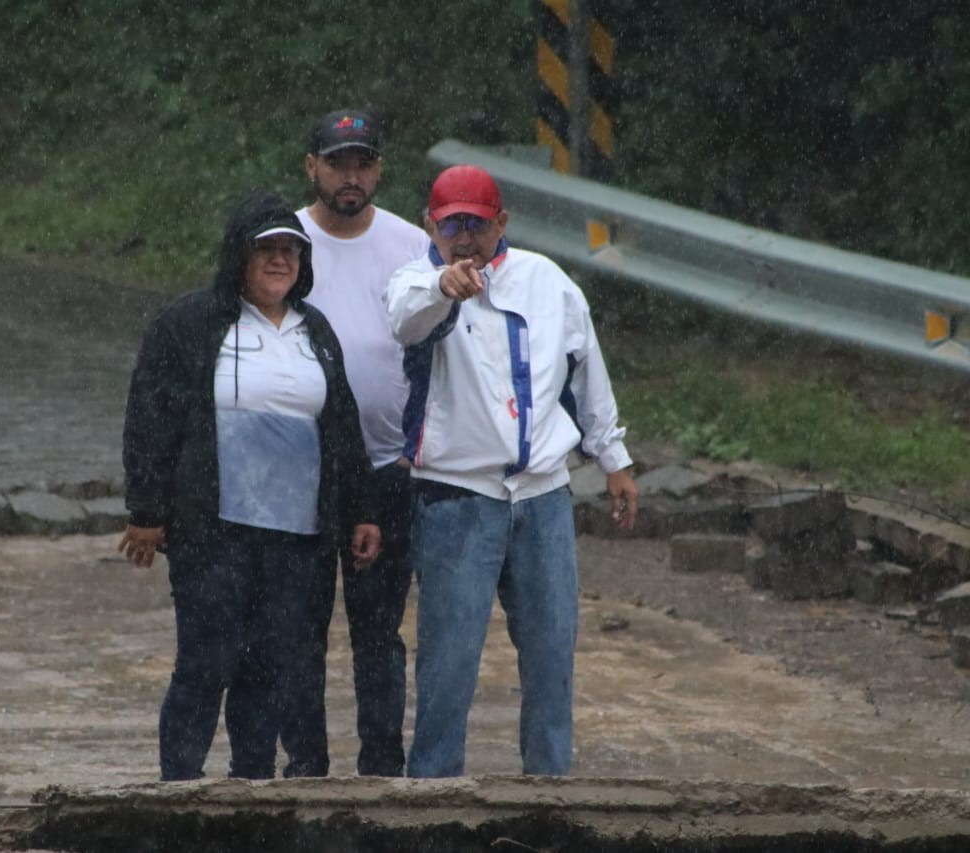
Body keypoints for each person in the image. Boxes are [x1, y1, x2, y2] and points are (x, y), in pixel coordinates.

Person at [385, 164, 639, 778]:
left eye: (477, 225)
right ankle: (434, 795)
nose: (464, 240)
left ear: (502, 223)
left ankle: (549, 788)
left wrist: (614, 458)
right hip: (457, 498)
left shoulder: (546, 281)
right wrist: (444, 286)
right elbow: (404, 321)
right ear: (430, 225)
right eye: (452, 227)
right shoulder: (416, 282)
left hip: (543, 496)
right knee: (448, 663)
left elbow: (587, 370)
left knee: (552, 655)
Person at [119, 191, 381, 781]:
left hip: (297, 539)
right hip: (213, 531)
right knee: (206, 661)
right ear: (239, 255)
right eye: (266, 249)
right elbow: (149, 417)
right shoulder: (188, 324)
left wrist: (362, 511)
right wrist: (146, 509)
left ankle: (252, 786)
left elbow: (341, 426)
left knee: (269, 665)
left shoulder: (316, 331)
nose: (279, 260)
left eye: (291, 250)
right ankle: (179, 785)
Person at [280, 109, 429, 778]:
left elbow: (436, 347)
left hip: (387, 467)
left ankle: (382, 763)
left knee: (379, 632)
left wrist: (417, 444)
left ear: (379, 169)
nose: (350, 176)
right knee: (298, 630)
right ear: (311, 165)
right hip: (301, 471)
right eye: (337, 162)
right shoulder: (283, 241)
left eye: (362, 162)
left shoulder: (407, 242)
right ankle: (305, 762)